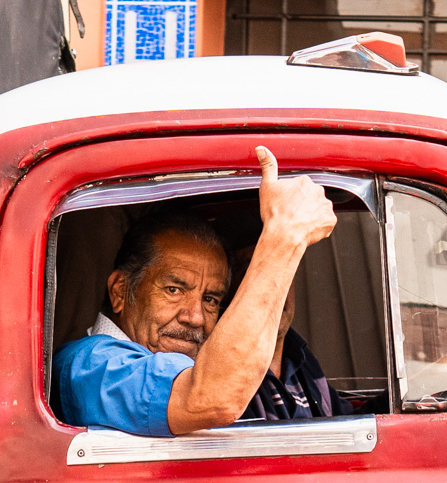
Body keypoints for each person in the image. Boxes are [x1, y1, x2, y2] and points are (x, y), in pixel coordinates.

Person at [53, 147, 336, 435]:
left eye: (210, 299)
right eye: (174, 290)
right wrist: (285, 235)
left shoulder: (176, 363)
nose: (195, 317)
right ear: (120, 291)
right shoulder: (92, 365)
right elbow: (213, 399)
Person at [236, 244, 336, 421]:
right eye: (256, 273)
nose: (276, 291)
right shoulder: (224, 373)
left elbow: (346, 421)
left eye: (284, 272)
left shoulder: (301, 357)